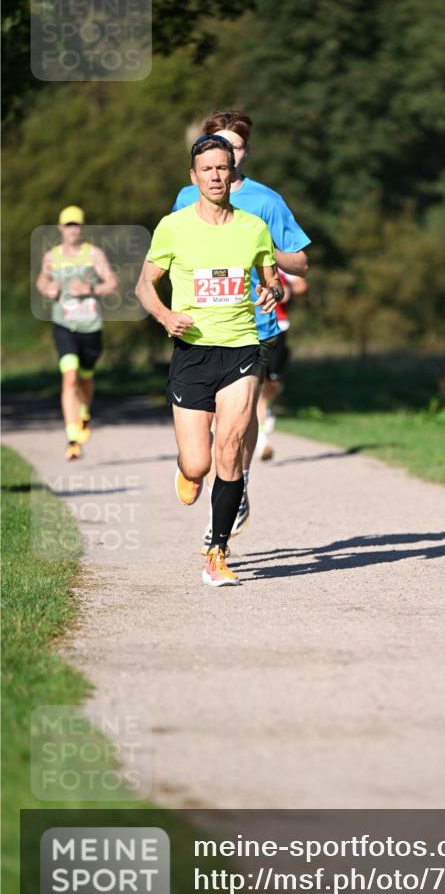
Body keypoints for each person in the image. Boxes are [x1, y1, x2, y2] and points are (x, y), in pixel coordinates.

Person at [135, 135, 284, 587]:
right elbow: (144, 285)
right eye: (207, 170)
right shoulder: (173, 227)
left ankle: (217, 552)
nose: (216, 176)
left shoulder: (253, 228)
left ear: (232, 172)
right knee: (199, 462)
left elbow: (273, 281)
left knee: (231, 447)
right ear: (194, 176)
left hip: (241, 347)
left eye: (222, 168)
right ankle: (187, 469)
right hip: (192, 353)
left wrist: (271, 291)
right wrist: (165, 316)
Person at [172, 110, 310, 544]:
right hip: (201, 327)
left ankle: (237, 484)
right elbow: (173, 251)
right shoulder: (186, 197)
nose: (226, 155)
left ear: (244, 153)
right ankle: (193, 464)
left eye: (235, 147)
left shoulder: (266, 201)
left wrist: (259, 243)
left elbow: (300, 263)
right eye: (218, 145)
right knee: (205, 428)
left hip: (255, 325)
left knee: (239, 419)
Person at [36, 206, 118, 460]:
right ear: (60, 228)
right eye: (68, 225)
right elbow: (42, 280)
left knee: (85, 377)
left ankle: (84, 412)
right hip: (64, 326)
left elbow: (112, 283)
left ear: (82, 228)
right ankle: (72, 439)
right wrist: (48, 288)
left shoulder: (94, 254)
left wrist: (90, 289)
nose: (72, 230)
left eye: (76, 225)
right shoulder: (52, 256)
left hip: (90, 327)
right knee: (69, 377)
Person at [256, 267, 309, 462]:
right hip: (252, 328)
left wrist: (288, 291)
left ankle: (267, 409)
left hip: (279, 326)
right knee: (258, 384)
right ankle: (262, 441)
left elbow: (302, 285)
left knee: (274, 383)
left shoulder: (278, 262)